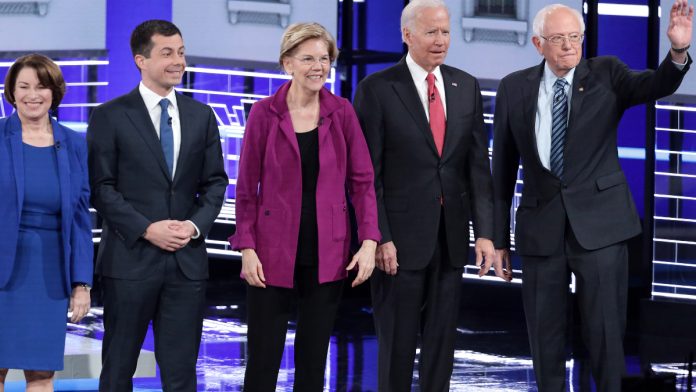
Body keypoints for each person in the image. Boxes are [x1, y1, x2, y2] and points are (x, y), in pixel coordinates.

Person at [492, 2, 692, 391]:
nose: (569, 46)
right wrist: (497, 239)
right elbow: (502, 169)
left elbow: (656, 84)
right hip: (540, 230)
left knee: (604, 335)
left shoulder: (608, 74)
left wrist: (679, 52)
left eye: (575, 37)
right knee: (544, 339)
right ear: (538, 43)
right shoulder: (514, 87)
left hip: (600, 229)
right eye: (558, 39)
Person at [353, 0, 510, 390]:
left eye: (445, 31)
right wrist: (379, 237)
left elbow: (477, 168)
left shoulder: (465, 85)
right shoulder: (377, 89)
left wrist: (486, 234)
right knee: (398, 345)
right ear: (407, 35)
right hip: (398, 243)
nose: (441, 40)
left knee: (442, 345)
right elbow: (365, 175)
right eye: (431, 32)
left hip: (451, 237)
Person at [229, 22, 380, 391]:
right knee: (263, 360)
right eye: (308, 58)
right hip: (271, 251)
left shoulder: (341, 112)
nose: (319, 66)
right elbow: (247, 190)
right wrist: (246, 248)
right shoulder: (264, 113)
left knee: (313, 362)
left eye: (325, 58)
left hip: (327, 250)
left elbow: (362, 183)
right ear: (287, 64)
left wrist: (369, 242)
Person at [87, 20, 228, 391]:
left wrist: (194, 226)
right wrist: (147, 228)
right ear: (140, 60)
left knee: (181, 374)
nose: (178, 61)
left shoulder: (201, 116)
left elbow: (215, 183)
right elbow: (101, 188)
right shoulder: (110, 116)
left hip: (186, 264)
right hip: (130, 263)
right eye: (167, 53)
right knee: (118, 370)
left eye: (180, 52)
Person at [0, 54, 93, 392]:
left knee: (41, 374)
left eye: (41, 87)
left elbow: (82, 218)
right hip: (2, 267)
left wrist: (81, 283)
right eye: (23, 86)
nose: (32, 95)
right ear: (11, 92)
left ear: (54, 92)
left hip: (49, 272)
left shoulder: (74, 144)